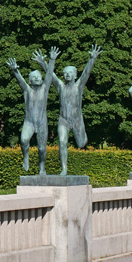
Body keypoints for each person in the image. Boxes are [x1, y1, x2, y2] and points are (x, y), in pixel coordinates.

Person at [39, 44, 101, 175]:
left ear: (74, 75)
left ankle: (84, 137)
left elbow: (86, 73)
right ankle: (64, 168)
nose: (67, 75)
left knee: (81, 144)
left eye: (70, 73)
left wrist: (92, 59)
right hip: (64, 120)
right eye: (65, 73)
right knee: (62, 142)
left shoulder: (79, 86)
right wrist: (45, 62)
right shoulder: (61, 86)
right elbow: (51, 75)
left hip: (77, 120)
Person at [8, 47, 59, 175]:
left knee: (42, 149)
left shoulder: (44, 89)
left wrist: (51, 60)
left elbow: (49, 75)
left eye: (38, 77)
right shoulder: (27, 90)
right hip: (29, 122)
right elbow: (20, 80)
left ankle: (42, 166)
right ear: (30, 81)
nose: (37, 79)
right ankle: (26, 156)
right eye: (34, 77)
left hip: (42, 123)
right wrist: (15, 70)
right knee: (24, 140)